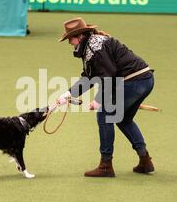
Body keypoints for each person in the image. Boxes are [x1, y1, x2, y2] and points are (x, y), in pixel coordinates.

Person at [54, 17, 155, 178]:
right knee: (123, 119)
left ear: (79, 36)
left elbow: (109, 75)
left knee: (105, 115)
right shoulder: (91, 45)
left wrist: (99, 100)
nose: (69, 43)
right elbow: (89, 78)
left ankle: (106, 165)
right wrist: (67, 94)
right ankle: (145, 160)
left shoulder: (95, 47)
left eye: (70, 39)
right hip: (145, 80)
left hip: (133, 81)